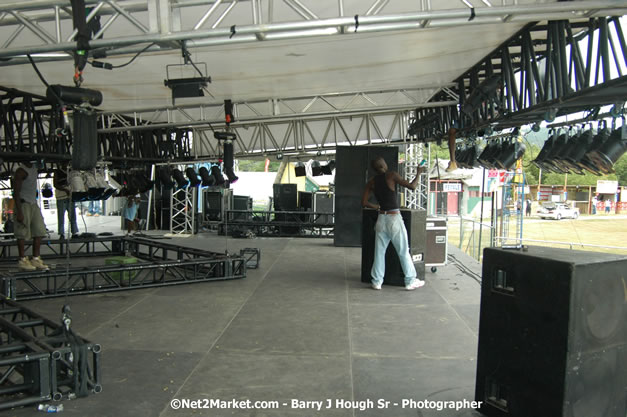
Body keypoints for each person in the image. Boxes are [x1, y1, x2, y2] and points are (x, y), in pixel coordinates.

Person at [361, 157, 426, 291]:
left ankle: (377, 281)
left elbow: (364, 203)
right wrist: (419, 172)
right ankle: (410, 280)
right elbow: (412, 187)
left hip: (381, 219)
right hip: (393, 218)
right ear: (383, 165)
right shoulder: (392, 175)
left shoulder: (371, 182)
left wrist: (378, 207)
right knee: (403, 251)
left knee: (379, 253)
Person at [13, 160, 49, 271]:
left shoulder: (35, 168)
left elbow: (44, 165)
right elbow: (16, 193)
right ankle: (22, 260)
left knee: (39, 230)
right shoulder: (20, 172)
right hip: (23, 204)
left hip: (33, 203)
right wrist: (19, 211)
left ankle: (35, 258)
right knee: (22, 232)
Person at [53, 162, 79, 239]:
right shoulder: (57, 172)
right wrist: (64, 189)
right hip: (61, 197)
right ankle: (61, 233)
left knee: (72, 216)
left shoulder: (70, 171)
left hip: (69, 196)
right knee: (61, 216)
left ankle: (74, 232)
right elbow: (55, 184)